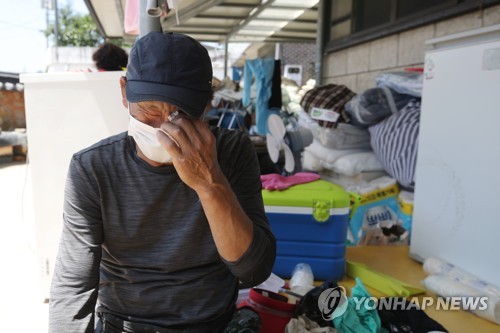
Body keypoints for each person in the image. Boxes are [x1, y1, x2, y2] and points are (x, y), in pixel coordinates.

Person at [49, 31, 276, 333]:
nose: (164, 128)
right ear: (123, 92)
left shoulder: (232, 152)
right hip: (124, 324)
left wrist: (209, 183)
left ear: (207, 105)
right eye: (149, 110)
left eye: (180, 114)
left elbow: (253, 270)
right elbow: (73, 286)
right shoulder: (93, 168)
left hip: (212, 324)